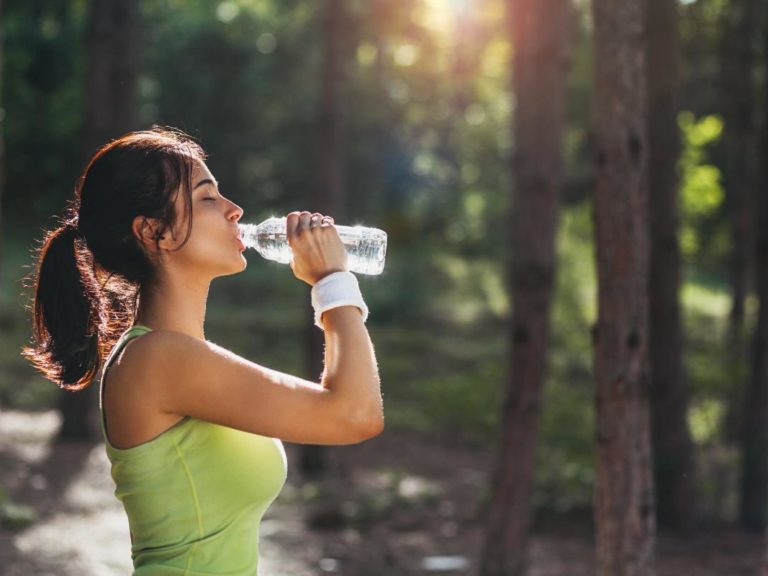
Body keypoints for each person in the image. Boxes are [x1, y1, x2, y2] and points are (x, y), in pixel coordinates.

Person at [23, 127, 384, 575]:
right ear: (155, 232)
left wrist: (334, 283)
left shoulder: (178, 355)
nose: (236, 211)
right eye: (208, 197)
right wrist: (332, 281)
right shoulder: (159, 359)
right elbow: (354, 414)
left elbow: (346, 408)